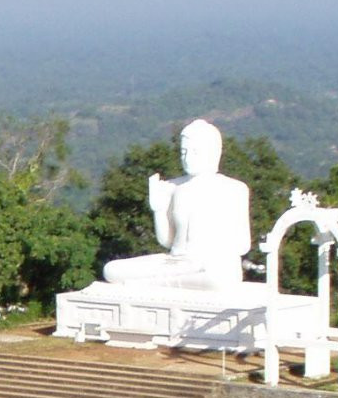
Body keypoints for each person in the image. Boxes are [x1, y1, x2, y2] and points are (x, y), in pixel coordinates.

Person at [102, 118, 251, 291]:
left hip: (210, 265)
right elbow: (167, 241)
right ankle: (160, 282)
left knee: (217, 278)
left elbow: (242, 245)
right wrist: (158, 210)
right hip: (176, 262)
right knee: (111, 270)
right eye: (183, 152)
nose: (188, 158)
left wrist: (209, 255)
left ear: (214, 153)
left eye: (196, 152)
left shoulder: (234, 189)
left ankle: (150, 284)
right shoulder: (172, 187)